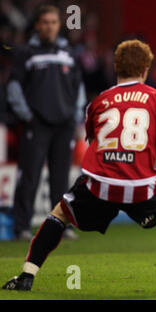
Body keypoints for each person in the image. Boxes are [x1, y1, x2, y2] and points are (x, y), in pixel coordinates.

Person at [2, 39, 156, 293]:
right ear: (146, 69)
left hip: (99, 184)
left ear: (115, 67)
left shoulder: (99, 101)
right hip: (139, 184)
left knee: (59, 214)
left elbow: (91, 142)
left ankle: (26, 276)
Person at [6, 5, 86, 240]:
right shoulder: (25, 53)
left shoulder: (68, 53)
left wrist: (76, 116)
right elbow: (14, 87)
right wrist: (27, 115)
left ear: (59, 24)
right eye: (45, 22)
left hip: (64, 125)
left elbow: (78, 88)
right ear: (38, 25)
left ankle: (62, 225)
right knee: (29, 175)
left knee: (61, 178)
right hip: (36, 123)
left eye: (53, 22)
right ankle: (21, 227)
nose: (49, 26)